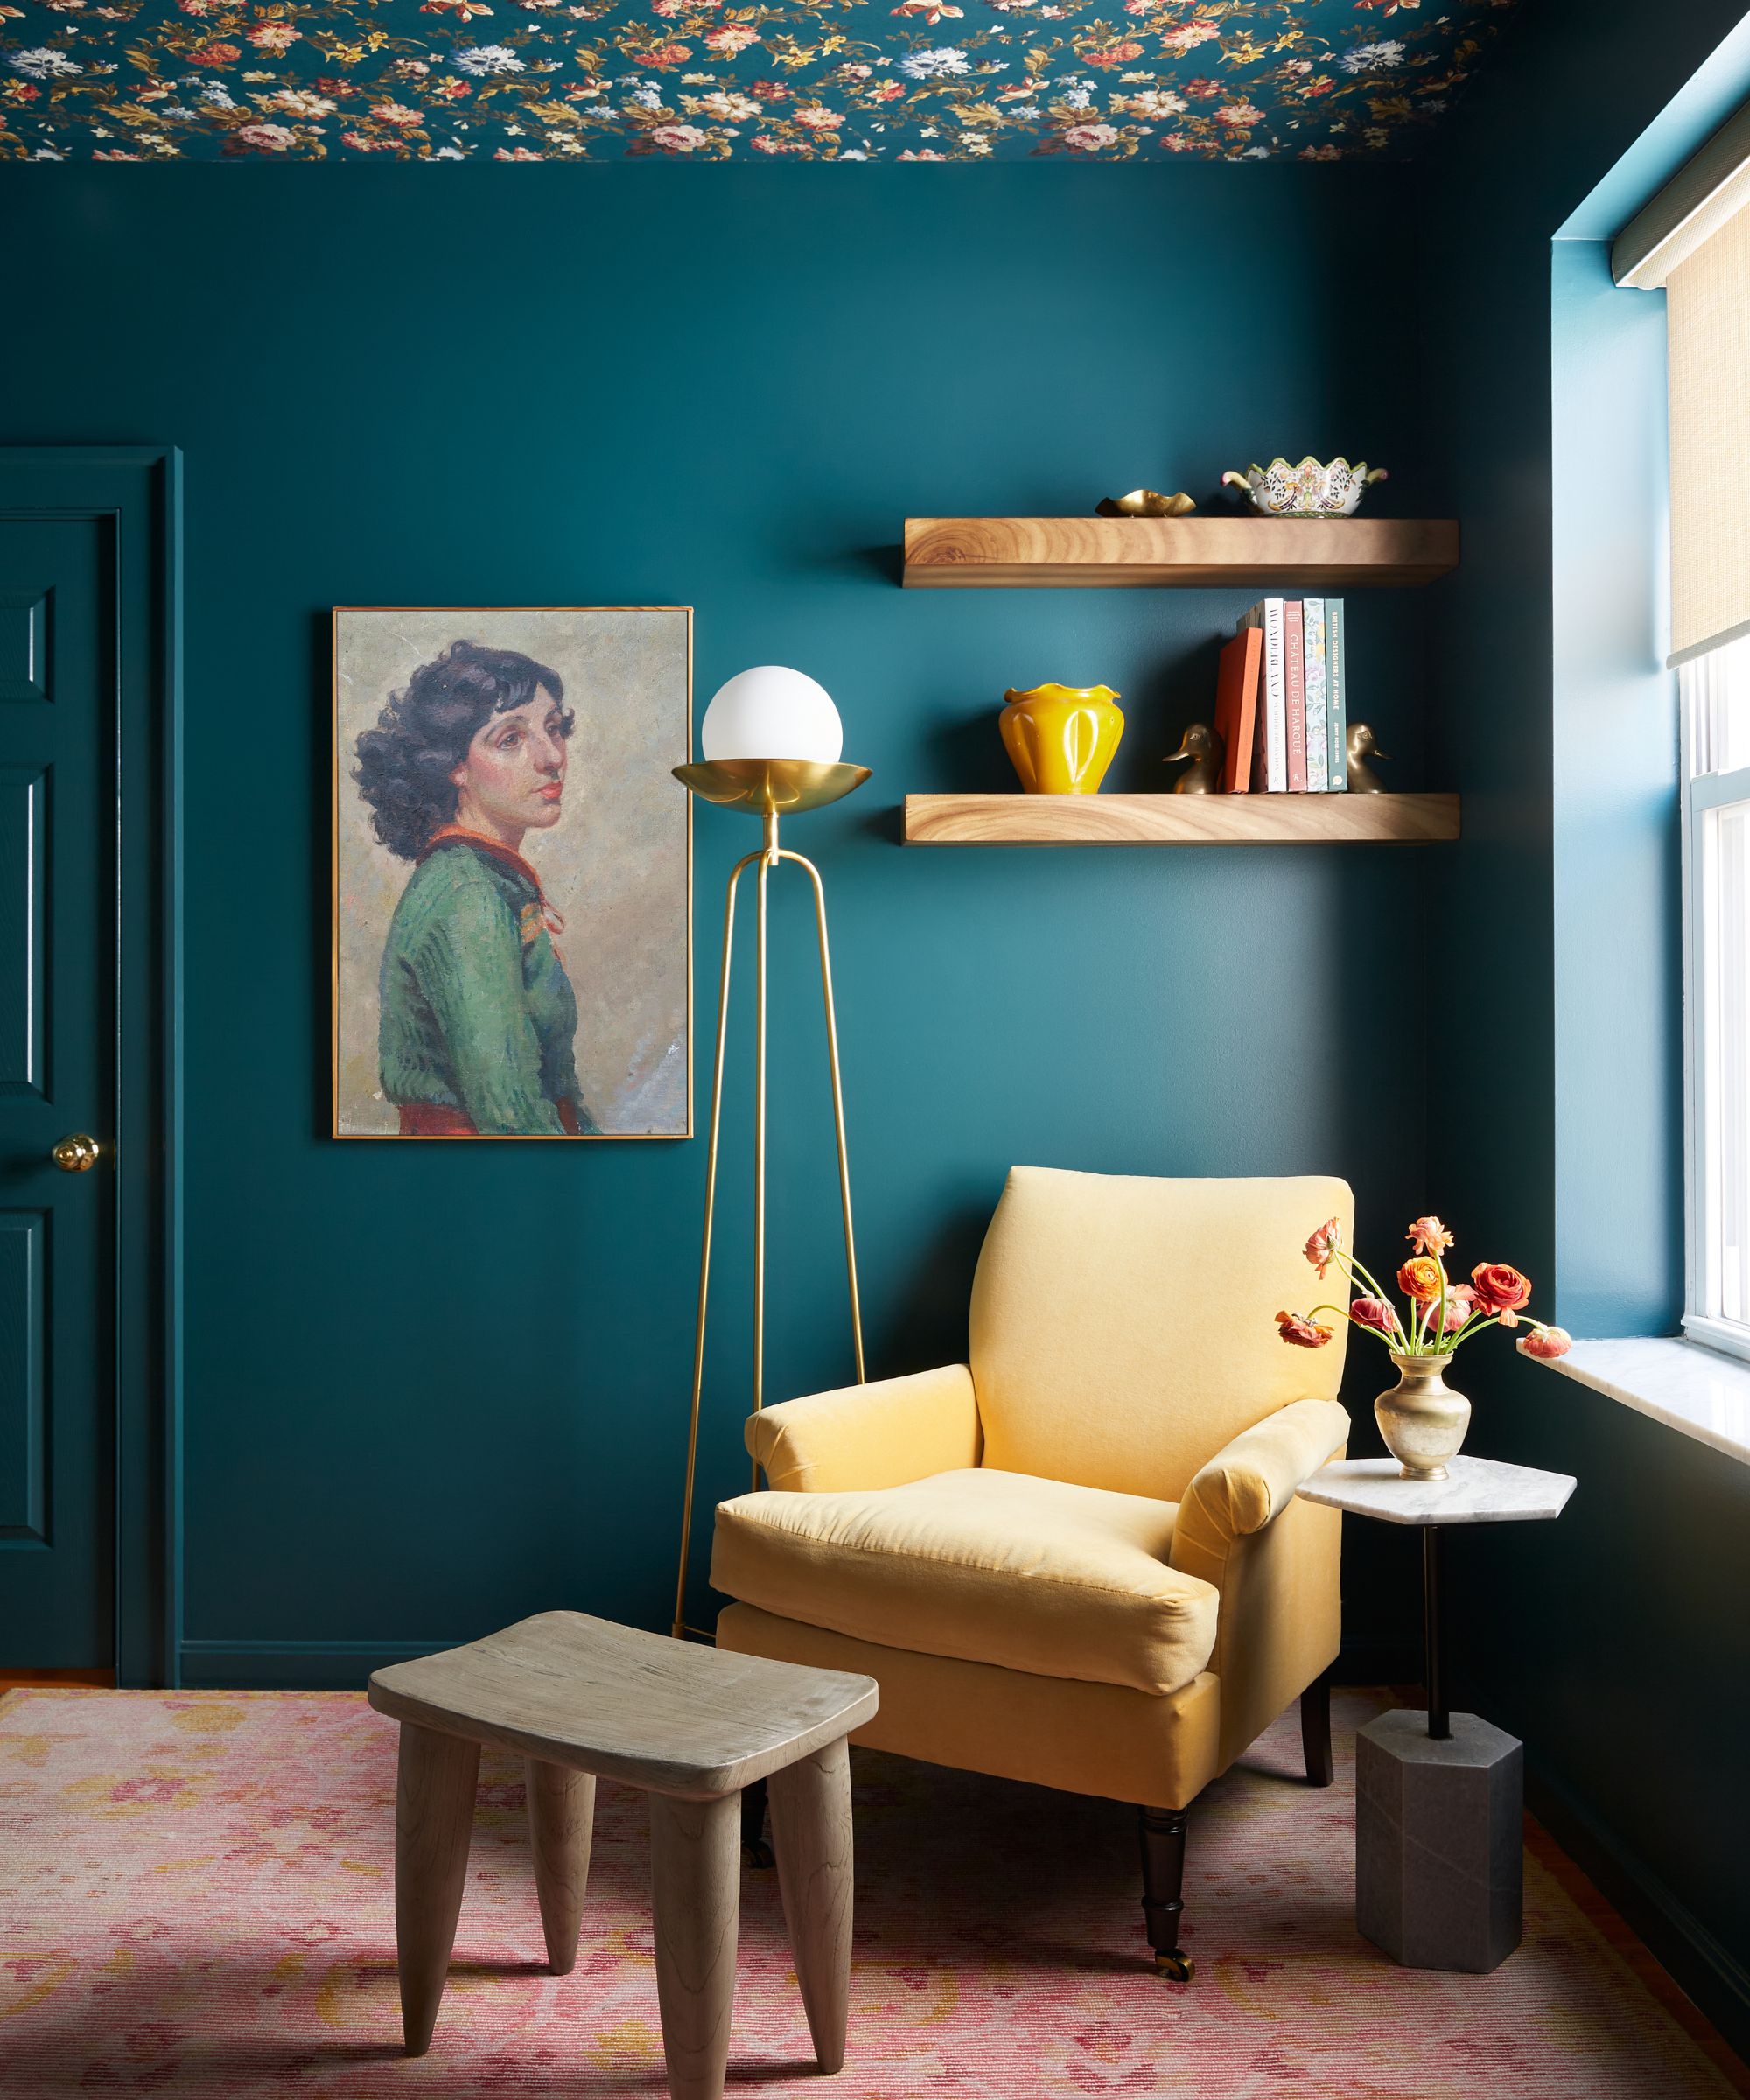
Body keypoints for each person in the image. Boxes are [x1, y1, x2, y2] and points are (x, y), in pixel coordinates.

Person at [353, 639, 598, 1136]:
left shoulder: (489, 879)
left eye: (554, 730)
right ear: (454, 766)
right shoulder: (466, 893)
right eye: (511, 739)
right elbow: (511, 1117)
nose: (552, 758)